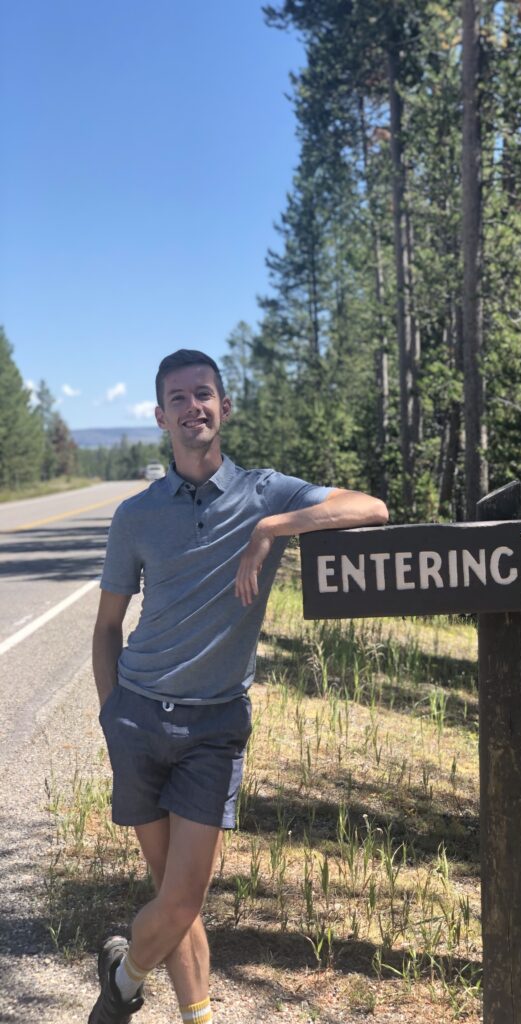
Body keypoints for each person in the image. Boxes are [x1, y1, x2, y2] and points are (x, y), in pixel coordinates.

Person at [89, 349, 388, 1024]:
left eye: (205, 394)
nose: (193, 407)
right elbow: (108, 626)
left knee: (183, 896)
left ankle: (123, 973)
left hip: (213, 726)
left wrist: (269, 529)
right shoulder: (135, 516)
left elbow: (371, 508)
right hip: (137, 717)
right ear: (161, 416)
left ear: (225, 408)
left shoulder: (266, 491)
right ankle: (196, 1014)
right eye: (179, 398)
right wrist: (112, 716)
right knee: (171, 892)